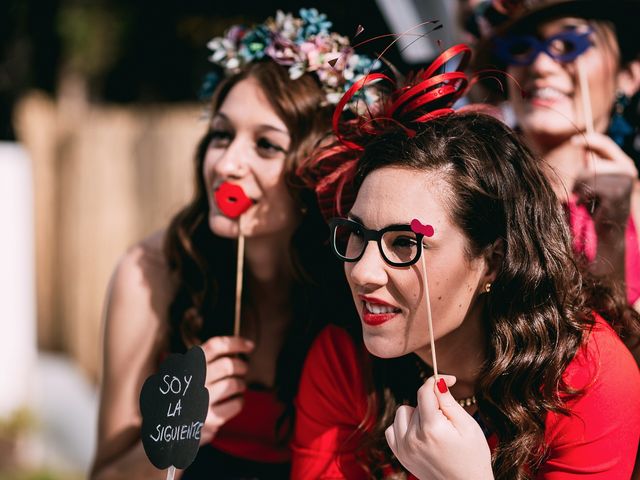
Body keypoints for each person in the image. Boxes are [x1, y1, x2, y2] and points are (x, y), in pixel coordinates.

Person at [292, 46, 640, 479]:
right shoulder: (344, 359)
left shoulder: (587, 378)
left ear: (493, 261)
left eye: (405, 244)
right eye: (358, 235)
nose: (363, 271)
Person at [89, 9, 371, 479]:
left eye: (265, 145)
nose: (227, 164)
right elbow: (103, 474)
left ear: (318, 168)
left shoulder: (355, 286)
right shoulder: (153, 271)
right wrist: (177, 433)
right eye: (221, 135)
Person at [472, 0, 640, 313]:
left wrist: (612, 241)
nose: (540, 66)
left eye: (569, 44)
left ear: (628, 75)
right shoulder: (472, 196)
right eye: (522, 47)